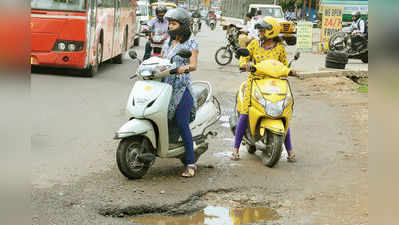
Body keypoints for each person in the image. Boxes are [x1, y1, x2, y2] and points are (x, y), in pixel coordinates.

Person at [231, 17, 297, 162]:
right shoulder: (254, 44)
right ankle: (235, 149)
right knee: (245, 112)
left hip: (275, 83)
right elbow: (244, 58)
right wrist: (244, 64)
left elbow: (284, 65)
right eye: (259, 30)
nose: (259, 32)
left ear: (270, 31)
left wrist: (291, 71)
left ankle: (290, 150)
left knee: (282, 112)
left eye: (262, 30)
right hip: (256, 81)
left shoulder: (280, 48)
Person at [161, 8, 199, 177]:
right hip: (164, 87)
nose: (170, 26)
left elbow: (194, 64)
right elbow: (161, 60)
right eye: (169, 23)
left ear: (183, 26)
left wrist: (184, 68)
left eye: (174, 23)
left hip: (181, 88)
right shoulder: (167, 43)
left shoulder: (191, 43)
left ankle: (191, 164)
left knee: (182, 123)